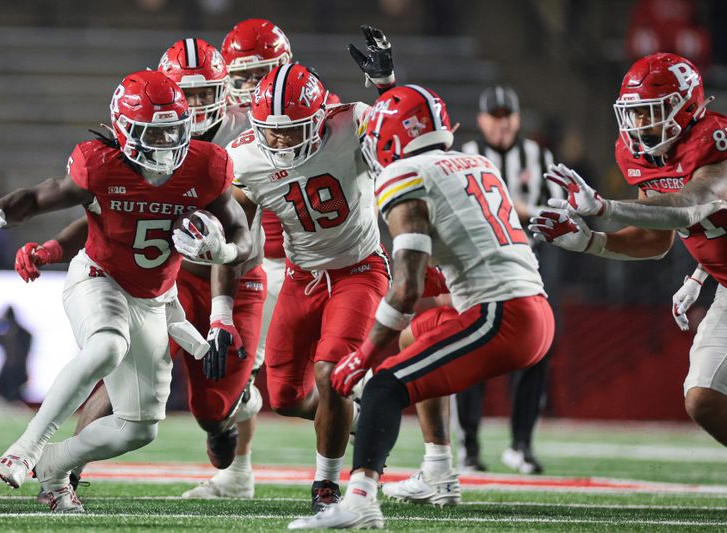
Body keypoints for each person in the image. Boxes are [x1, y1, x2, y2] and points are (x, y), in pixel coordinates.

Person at [0, 69, 252, 512]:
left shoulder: (204, 165)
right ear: (125, 131)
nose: (165, 145)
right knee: (106, 348)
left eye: (172, 132)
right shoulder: (100, 164)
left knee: (139, 428)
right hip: (99, 278)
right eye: (152, 135)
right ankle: (24, 448)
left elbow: (241, 234)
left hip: (155, 299)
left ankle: (55, 465)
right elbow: (43, 196)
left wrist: (222, 246)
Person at [287, 84, 554, 530]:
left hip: (500, 315)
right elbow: (441, 268)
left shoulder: (404, 174)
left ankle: (359, 501)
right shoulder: (476, 161)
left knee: (382, 386)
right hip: (529, 307)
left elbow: (409, 287)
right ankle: (439, 471)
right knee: (416, 343)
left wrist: (364, 356)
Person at [222, 26, 396, 512]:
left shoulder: (350, 124)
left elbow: (405, 128)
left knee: (330, 373)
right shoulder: (247, 156)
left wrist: (386, 87)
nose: (277, 136)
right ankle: (367, 419)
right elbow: (236, 228)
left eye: (291, 127)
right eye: (269, 127)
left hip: (359, 269)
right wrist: (208, 237)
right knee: (284, 396)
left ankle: (325, 484)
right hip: (301, 278)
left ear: (320, 119)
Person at [529, 52, 727, 448]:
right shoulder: (638, 154)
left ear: (686, 105)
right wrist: (590, 240)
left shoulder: (714, 139)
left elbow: (693, 203)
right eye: (634, 113)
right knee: (704, 400)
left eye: (651, 111)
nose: (640, 124)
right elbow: (655, 239)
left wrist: (605, 207)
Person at [383, 86, 558, 499]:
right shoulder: (472, 156)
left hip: (515, 278)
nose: (501, 122)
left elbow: (554, 212)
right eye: (493, 115)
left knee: (391, 379)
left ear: (518, 118)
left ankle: (518, 445)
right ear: (477, 120)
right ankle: (461, 453)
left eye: (507, 114)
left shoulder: (534, 158)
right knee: (437, 350)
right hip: (479, 275)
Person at [0, 305, 33, 406]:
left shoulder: (16, 334)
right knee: (6, 398)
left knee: (14, 399)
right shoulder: (21, 333)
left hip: (15, 369)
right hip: (15, 369)